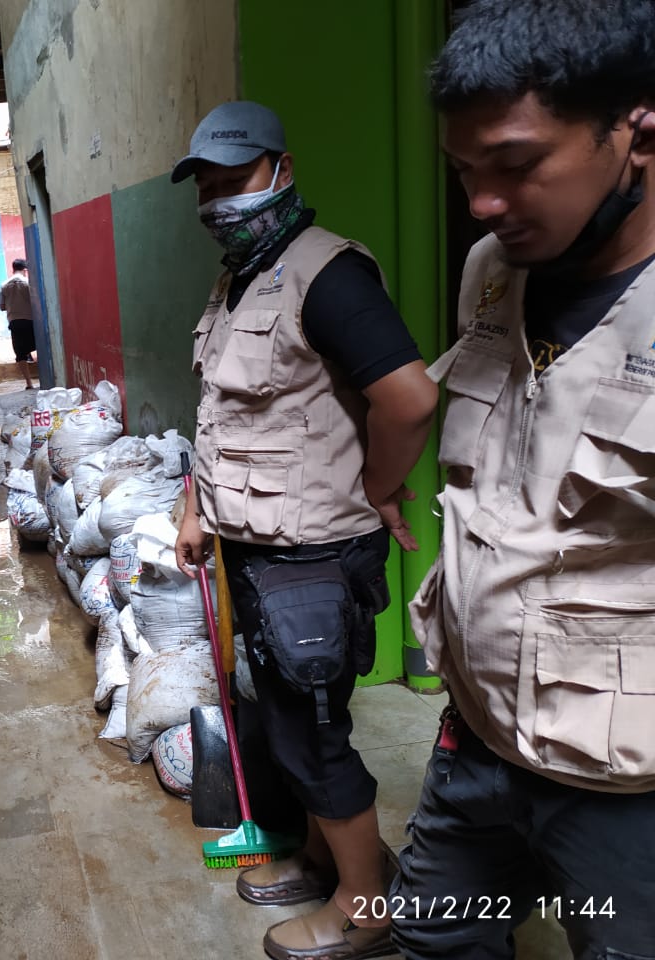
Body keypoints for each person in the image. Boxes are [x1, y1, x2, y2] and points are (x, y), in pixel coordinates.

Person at [391, 2, 655, 957]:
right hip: (477, 739)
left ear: (637, 126)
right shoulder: (491, 273)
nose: (483, 204)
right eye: (466, 171)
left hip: (626, 791)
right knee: (433, 941)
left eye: (516, 164)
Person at [171, 101, 438, 960]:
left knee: (310, 729)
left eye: (234, 179)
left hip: (314, 552)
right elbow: (220, 414)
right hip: (261, 547)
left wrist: (377, 486)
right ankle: (328, 860)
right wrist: (192, 512)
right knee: (293, 715)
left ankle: (368, 907)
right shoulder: (241, 277)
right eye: (206, 186)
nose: (219, 200)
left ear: (282, 171)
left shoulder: (328, 273)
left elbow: (408, 397)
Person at [0, 257, 36, 389]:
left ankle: (28, 382)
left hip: (14, 322)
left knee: (20, 353)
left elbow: (2, 307)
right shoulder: (28, 283)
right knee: (38, 347)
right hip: (30, 320)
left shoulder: (4, 285)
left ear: (13, 269)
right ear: (25, 270)